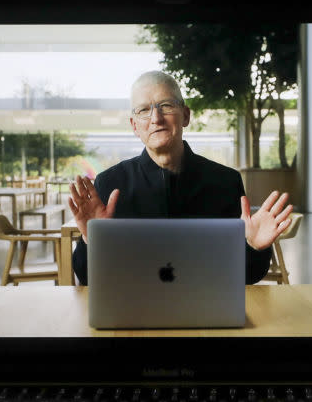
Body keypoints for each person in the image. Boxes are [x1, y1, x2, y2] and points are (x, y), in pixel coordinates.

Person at [68, 71, 293, 285]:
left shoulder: (225, 182)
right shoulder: (110, 183)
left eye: (165, 106)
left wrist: (253, 247)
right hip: (135, 312)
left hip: (208, 310)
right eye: (144, 110)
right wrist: (91, 243)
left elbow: (248, 276)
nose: (156, 118)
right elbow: (88, 279)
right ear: (134, 126)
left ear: (185, 115)